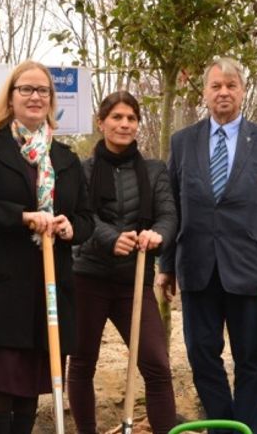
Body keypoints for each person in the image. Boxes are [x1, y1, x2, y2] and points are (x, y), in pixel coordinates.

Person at [156, 57, 257, 434]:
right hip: (197, 267)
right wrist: (166, 265)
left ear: (242, 91)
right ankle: (225, 430)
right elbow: (171, 207)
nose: (223, 92)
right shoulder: (183, 142)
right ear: (204, 92)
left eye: (231, 86)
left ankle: (248, 427)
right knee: (202, 356)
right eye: (216, 86)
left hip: (252, 270)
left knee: (250, 360)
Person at [0, 60, 94, 433]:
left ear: (52, 99)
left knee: (31, 390)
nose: (35, 97)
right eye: (26, 89)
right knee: (0, 387)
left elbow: (86, 218)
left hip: (48, 289)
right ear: (11, 97)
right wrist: (23, 217)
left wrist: (69, 226)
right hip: (1, 290)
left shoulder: (65, 158)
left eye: (43, 90)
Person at [67, 91, 178, 434]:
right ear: (101, 123)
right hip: (88, 277)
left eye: (131, 118)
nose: (124, 124)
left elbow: (169, 215)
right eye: (116, 117)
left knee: (157, 365)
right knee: (83, 363)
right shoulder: (80, 170)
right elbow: (79, 215)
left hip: (134, 281)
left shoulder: (155, 170)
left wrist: (158, 235)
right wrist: (111, 237)